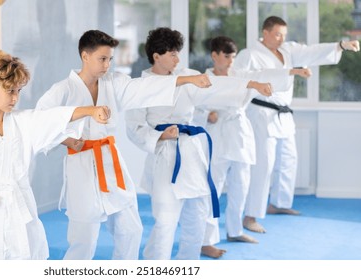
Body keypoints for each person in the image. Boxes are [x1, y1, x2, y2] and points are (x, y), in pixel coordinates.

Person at [35, 29, 214, 260]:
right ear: (85, 56)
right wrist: (66, 139)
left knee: (131, 230)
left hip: (111, 160)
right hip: (82, 163)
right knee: (84, 239)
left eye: (110, 59)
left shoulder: (113, 82)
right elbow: (40, 120)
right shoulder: (63, 89)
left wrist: (187, 79)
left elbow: (145, 88)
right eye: (102, 59)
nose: (107, 64)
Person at [0, 49, 110, 260]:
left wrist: (90, 111)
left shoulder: (22, 122)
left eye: (19, 91)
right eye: (10, 90)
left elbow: (52, 118)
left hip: (22, 216)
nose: (15, 98)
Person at [124, 27, 274, 260]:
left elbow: (216, 86)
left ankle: (187, 262)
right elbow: (134, 128)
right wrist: (160, 136)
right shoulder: (140, 86)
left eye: (178, 52)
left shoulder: (187, 76)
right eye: (172, 53)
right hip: (164, 155)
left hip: (191, 153)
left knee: (197, 213)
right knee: (166, 218)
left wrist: (251, 85)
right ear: (156, 56)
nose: (177, 58)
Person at [233, 16, 360, 233]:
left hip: (284, 115)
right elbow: (241, 78)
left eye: (284, 34)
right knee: (264, 166)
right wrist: (289, 72)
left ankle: (279, 203)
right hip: (261, 113)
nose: (282, 38)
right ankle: (250, 215)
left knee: (289, 160)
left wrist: (340, 45)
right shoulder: (249, 55)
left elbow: (311, 51)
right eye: (277, 34)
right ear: (265, 32)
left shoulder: (288, 51)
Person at [199, 36, 312, 255]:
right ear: (214, 56)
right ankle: (206, 240)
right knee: (213, 189)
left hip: (240, 135)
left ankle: (234, 230)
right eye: (226, 56)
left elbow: (261, 75)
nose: (231, 61)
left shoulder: (239, 74)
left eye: (233, 56)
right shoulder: (203, 79)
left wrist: (292, 72)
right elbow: (192, 105)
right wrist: (206, 114)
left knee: (241, 185)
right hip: (218, 134)